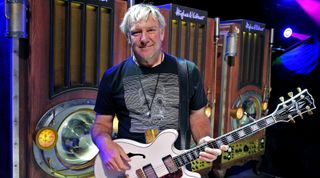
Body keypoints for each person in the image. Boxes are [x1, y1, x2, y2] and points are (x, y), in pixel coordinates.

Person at [91, 3, 228, 174]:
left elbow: (197, 116)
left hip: (177, 167)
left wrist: (204, 139)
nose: (143, 38)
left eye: (151, 30)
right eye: (136, 32)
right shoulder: (113, 76)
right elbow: (101, 124)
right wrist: (105, 145)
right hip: (133, 170)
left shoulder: (187, 71)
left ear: (162, 33)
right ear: (128, 37)